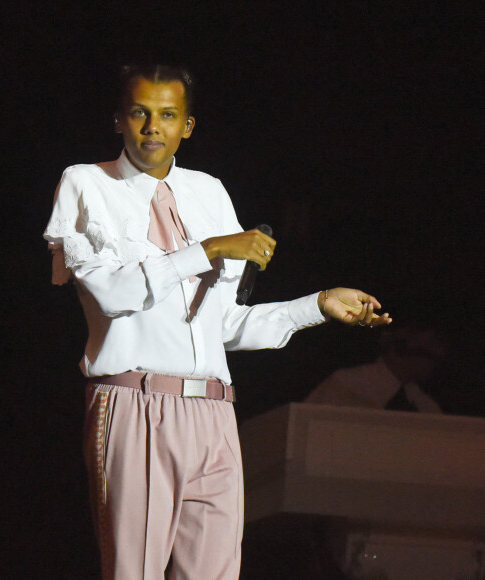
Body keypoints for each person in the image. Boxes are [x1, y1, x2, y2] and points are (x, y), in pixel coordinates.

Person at [43, 64, 392, 580]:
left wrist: (316, 305)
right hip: (138, 402)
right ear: (118, 119)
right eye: (139, 113)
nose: (152, 127)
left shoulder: (208, 191)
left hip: (213, 412)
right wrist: (205, 250)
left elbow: (224, 325)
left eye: (167, 115)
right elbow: (112, 292)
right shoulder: (87, 182)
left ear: (187, 126)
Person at [305, 325, 446, 412]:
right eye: (427, 355)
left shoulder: (424, 406)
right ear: (399, 348)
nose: (431, 365)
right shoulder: (346, 385)